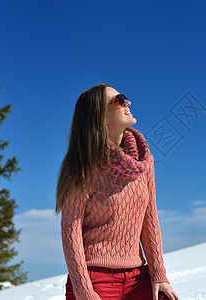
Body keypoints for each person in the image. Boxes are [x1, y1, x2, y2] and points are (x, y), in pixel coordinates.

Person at [56, 83, 179, 300]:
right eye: (119, 100)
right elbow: (70, 231)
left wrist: (159, 274)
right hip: (94, 278)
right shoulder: (83, 163)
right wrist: (84, 291)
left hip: (138, 277)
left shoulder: (143, 161)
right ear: (99, 115)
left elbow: (149, 220)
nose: (127, 103)